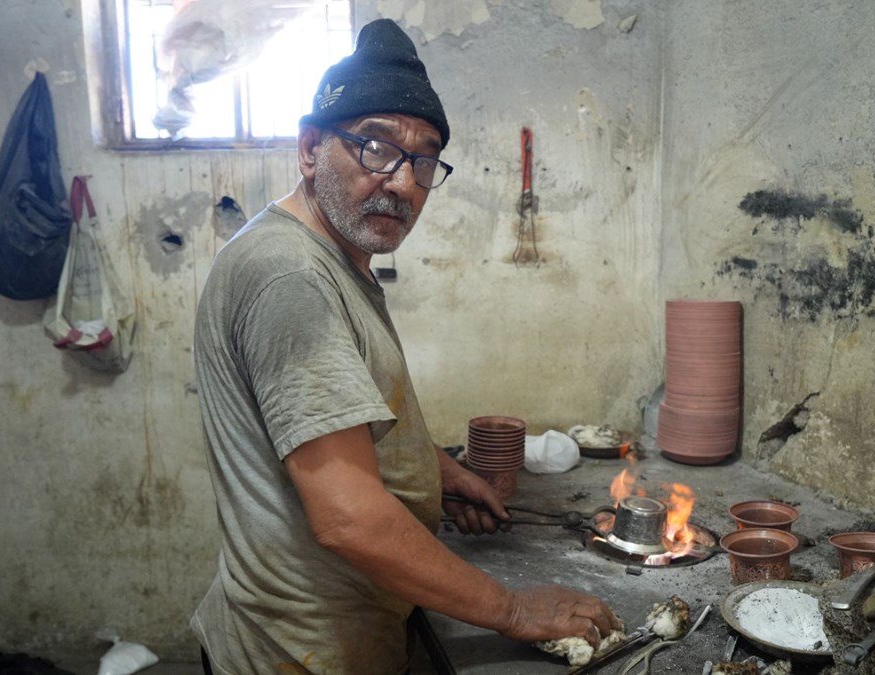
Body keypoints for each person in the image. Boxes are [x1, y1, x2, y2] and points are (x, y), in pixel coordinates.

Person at [189, 18, 619, 674]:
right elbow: (348, 518)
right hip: (301, 649)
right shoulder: (291, 276)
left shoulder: (329, 257)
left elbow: (321, 429)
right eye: (376, 147)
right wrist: (512, 607)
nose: (403, 180)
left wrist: (433, 473)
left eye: (423, 159)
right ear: (310, 149)